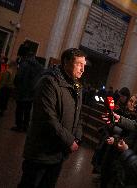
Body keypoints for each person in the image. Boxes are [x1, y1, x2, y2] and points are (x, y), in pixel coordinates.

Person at [18, 48, 87, 188]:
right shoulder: (49, 82)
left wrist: (77, 137)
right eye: (79, 64)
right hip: (41, 152)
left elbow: (78, 114)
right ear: (66, 62)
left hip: (58, 153)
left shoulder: (77, 86)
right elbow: (48, 118)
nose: (83, 69)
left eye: (84, 65)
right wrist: (69, 140)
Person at [11, 51, 44, 132]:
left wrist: (16, 85)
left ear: (26, 56)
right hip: (32, 93)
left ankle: (19, 126)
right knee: (27, 111)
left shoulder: (24, 64)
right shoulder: (39, 66)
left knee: (19, 109)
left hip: (22, 91)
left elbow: (18, 77)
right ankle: (25, 126)